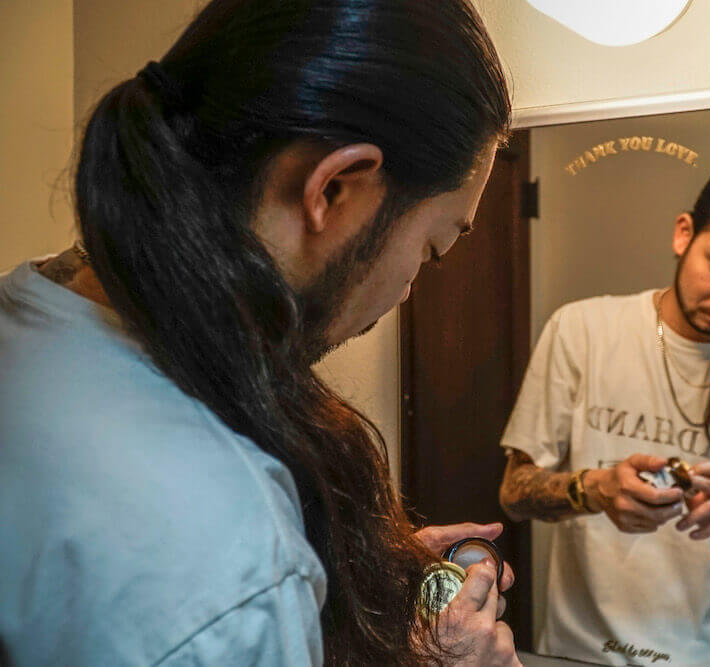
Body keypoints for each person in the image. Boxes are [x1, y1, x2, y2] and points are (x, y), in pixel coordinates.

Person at [0, 1, 521, 665]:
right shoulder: (230, 556)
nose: (407, 289)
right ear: (333, 190)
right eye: (432, 248)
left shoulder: (30, 307)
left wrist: (330, 586)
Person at [498, 158, 710, 666]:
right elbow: (514, 493)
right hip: (583, 654)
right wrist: (596, 489)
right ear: (684, 234)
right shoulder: (583, 330)